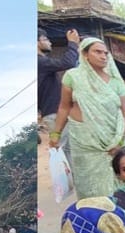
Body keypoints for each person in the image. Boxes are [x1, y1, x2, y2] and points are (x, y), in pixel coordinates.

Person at [50, 36, 125, 199]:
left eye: (105, 53)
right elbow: (64, 107)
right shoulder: (73, 77)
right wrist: (55, 134)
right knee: (88, 187)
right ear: (85, 55)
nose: (103, 56)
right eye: (97, 52)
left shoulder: (116, 82)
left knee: (118, 188)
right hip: (84, 142)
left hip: (113, 141)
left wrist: (119, 141)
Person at [38, 28, 80, 157]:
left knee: (68, 149)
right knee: (66, 150)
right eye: (46, 39)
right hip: (54, 113)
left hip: (53, 112)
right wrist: (72, 43)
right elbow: (68, 63)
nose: (50, 42)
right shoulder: (39, 61)